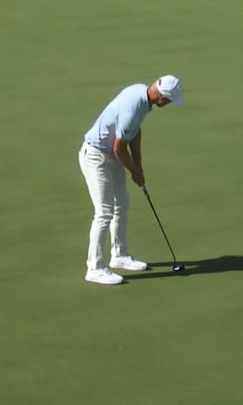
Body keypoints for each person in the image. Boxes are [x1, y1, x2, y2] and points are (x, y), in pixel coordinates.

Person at [78, 75, 184, 285]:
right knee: (104, 212)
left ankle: (119, 255)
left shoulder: (142, 94)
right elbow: (119, 147)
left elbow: (134, 132)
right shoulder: (133, 108)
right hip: (96, 157)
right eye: (170, 101)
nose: (169, 105)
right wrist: (134, 171)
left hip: (110, 155)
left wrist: (139, 164)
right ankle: (95, 268)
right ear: (162, 97)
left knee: (122, 204)